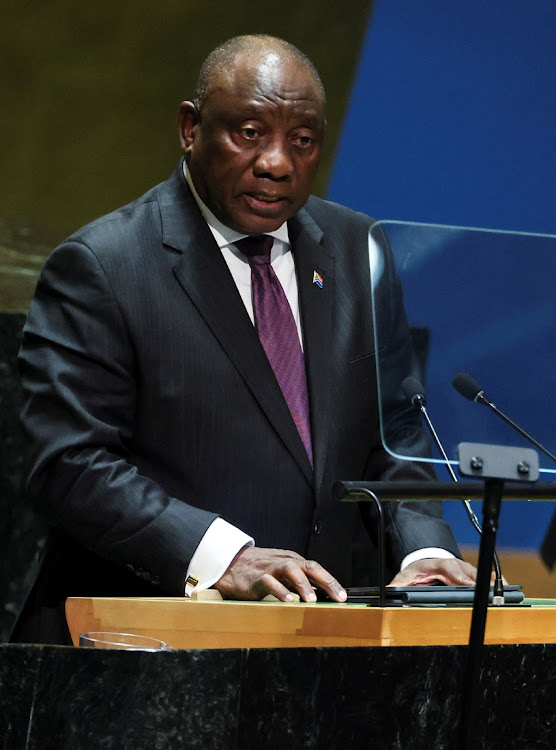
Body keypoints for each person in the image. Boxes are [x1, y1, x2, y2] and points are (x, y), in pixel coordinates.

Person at [15, 35, 476, 644]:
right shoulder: (104, 264)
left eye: (303, 140)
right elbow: (70, 465)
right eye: (250, 133)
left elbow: (397, 432)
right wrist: (220, 556)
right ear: (190, 127)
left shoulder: (357, 249)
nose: (278, 163)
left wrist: (422, 554)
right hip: (141, 651)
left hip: (317, 651)